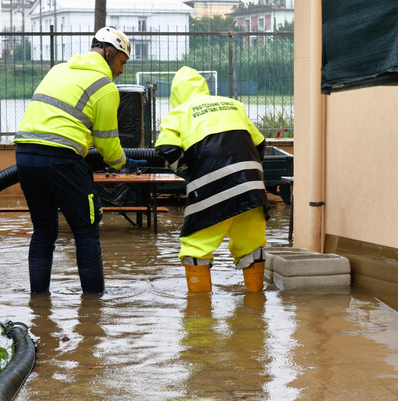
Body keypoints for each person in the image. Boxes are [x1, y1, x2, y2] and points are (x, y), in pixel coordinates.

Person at [14, 26, 146, 294]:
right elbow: (108, 144)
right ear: (109, 53)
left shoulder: (58, 69)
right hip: (61, 159)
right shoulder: (105, 87)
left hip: (25, 155)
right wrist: (125, 165)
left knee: (43, 232)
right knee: (86, 230)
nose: (122, 71)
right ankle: (94, 308)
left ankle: (39, 304)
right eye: (121, 62)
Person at [155, 66, 269, 293]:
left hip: (211, 188)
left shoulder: (179, 113)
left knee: (195, 247)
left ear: (176, 94)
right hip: (253, 187)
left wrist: (192, 168)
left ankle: (199, 316)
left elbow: (167, 149)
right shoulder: (234, 105)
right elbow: (260, 144)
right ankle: (255, 307)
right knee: (252, 245)